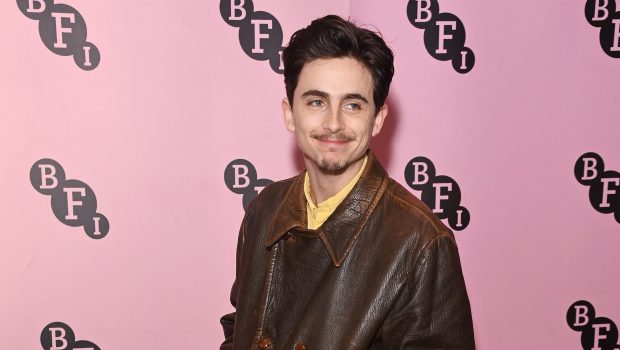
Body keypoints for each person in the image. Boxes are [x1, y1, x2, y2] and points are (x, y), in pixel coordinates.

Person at [220, 14, 475, 349]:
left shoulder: (421, 244)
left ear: (378, 119)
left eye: (353, 105)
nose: (334, 123)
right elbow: (239, 329)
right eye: (316, 102)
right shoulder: (264, 209)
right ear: (289, 113)